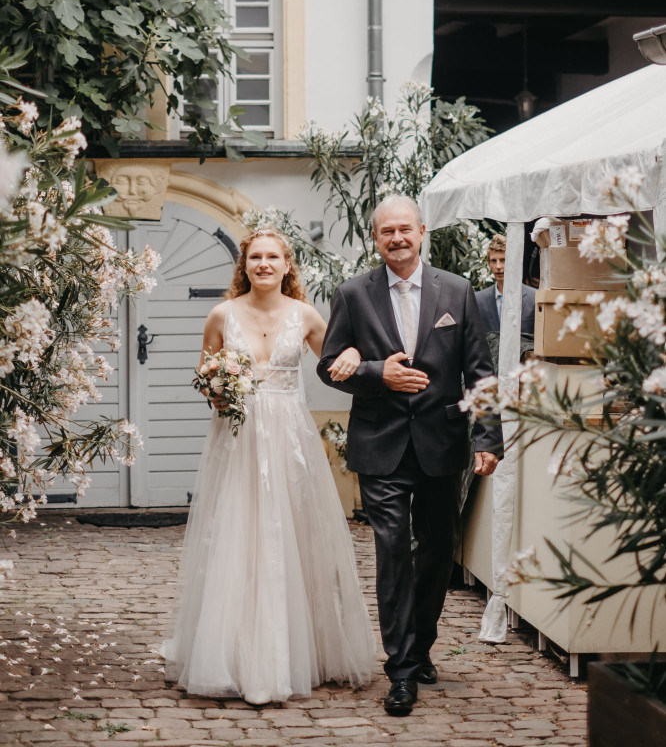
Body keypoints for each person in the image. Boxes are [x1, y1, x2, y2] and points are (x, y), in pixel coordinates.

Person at [164, 227, 375, 704]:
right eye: (255, 257)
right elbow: (206, 380)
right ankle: (232, 654)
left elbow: (337, 361)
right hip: (237, 439)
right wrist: (219, 389)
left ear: (286, 265)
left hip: (289, 438)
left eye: (272, 257)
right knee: (238, 536)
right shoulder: (221, 314)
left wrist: (358, 352)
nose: (263, 264)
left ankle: (298, 652)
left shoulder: (305, 315)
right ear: (244, 265)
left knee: (291, 535)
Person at [317, 195, 503, 717]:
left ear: (422, 232)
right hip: (380, 444)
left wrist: (488, 439)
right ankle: (400, 671)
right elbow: (328, 364)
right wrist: (378, 373)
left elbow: (480, 371)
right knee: (393, 547)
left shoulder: (457, 290)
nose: (396, 239)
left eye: (404, 230)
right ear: (375, 239)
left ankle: (420, 647)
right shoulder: (353, 294)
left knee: (439, 550)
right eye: (385, 233)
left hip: (442, 443)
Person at [475, 233, 536, 336]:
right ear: (489, 264)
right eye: (493, 261)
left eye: (503, 260)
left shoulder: (534, 297)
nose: (498, 266)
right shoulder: (478, 300)